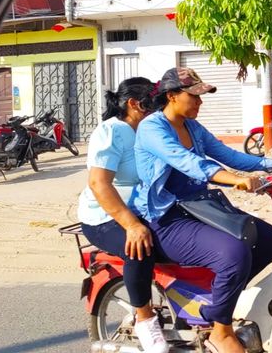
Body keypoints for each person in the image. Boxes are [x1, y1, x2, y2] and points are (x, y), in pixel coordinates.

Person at [134, 67, 272, 353]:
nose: (200, 102)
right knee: (234, 253)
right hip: (166, 218)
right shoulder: (152, 127)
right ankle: (221, 332)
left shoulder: (192, 127)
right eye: (194, 96)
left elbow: (227, 154)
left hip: (198, 208)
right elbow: (187, 162)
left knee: (268, 239)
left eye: (202, 96)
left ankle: (216, 302)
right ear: (172, 96)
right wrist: (233, 180)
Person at [77, 77, 168, 353]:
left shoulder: (150, 130)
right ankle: (145, 320)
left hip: (146, 207)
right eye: (153, 104)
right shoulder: (112, 131)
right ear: (134, 104)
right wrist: (131, 225)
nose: (158, 110)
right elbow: (99, 183)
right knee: (139, 247)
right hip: (105, 217)